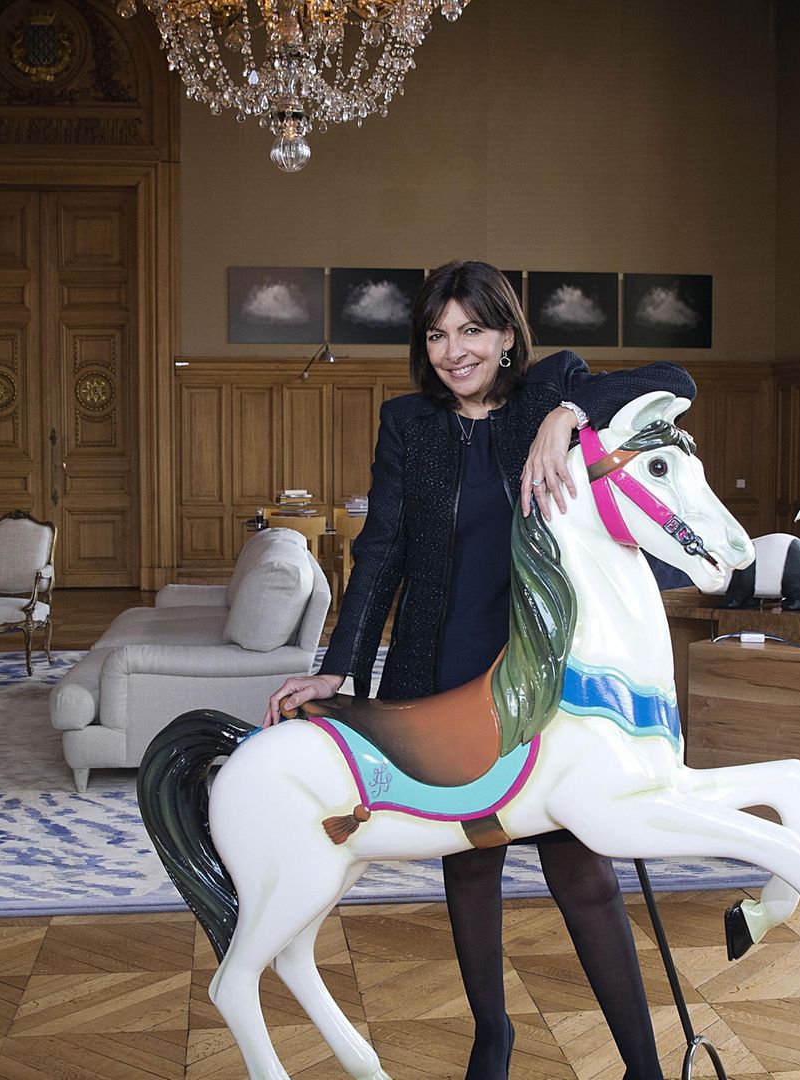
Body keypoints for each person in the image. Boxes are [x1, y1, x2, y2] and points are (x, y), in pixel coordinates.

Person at [263, 260, 697, 1080]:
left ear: (505, 335)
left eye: (470, 330)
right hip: (442, 669)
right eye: (436, 334)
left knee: (584, 870)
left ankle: (644, 1066)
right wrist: (339, 670)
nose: (453, 351)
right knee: (471, 867)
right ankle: (491, 1034)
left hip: (545, 675)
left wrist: (566, 416)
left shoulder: (549, 392)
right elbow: (381, 552)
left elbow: (672, 380)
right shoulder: (408, 425)